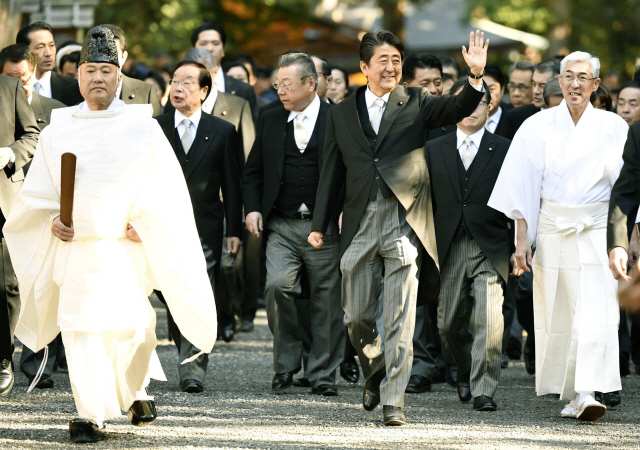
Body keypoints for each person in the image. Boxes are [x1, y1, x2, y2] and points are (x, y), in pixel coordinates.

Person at [4, 26, 217, 443]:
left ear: (119, 76)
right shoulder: (59, 127)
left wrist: (148, 221)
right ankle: (89, 415)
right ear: (78, 77)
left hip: (125, 247)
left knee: (131, 329)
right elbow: (37, 194)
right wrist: (51, 220)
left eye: (106, 70)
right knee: (81, 327)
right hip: (77, 248)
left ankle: (134, 391)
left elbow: (168, 190)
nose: (97, 78)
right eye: (89, 71)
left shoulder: (143, 127)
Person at [309, 30, 488, 426]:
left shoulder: (417, 101)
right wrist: (320, 224)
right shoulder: (340, 112)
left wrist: (475, 77)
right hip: (359, 222)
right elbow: (331, 174)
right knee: (355, 318)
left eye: (396, 60)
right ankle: (374, 371)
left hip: (404, 220)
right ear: (363, 68)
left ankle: (394, 400)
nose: (391, 67)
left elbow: (458, 107)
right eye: (383, 60)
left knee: (400, 317)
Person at [488, 51, 628, 421]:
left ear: (596, 85)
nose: (575, 84)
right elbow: (520, 189)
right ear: (560, 82)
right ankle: (573, 392)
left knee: (597, 312)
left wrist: (625, 241)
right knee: (560, 312)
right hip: (552, 227)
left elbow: (627, 189)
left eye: (584, 77)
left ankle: (587, 391)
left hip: (597, 228)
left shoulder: (614, 127)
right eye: (569, 76)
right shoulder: (537, 127)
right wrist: (522, 242)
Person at [243, 52, 345, 396]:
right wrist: (253, 209)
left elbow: (351, 171)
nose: (279, 90)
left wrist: (344, 211)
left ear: (311, 84)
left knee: (327, 300)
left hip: (325, 223)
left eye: (286, 84)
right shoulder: (270, 117)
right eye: (277, 84)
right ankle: (286, 366)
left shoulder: (338, 118)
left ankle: (322, 374)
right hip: (282, 224)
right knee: (277, 287)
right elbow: (253, 170)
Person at [155, 60, 242, 393]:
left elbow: (233, 185)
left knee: (194, 295)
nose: (178, 88)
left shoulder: (222, 131)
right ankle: (185, 346)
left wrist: (233, 230)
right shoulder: (155, 128)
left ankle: (192, 369)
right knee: (172, 295)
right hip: (160, 228)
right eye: (174, 81)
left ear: (204, 91)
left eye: (187, 83)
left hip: (204, 228)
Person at [426, 81, 512, 412]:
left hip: (490, 244)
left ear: (489, 108)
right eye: (466, 104)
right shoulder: (435, 147)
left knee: (490, 320)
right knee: (447, 323)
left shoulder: (504, 148)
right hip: (446, 244)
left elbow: (517, 199)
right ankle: (464, 368)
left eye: (479, 104)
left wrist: (519, 244)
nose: (472, 110)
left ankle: (484, 389)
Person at [0, 43, 67, 388]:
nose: (19, 84)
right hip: (11, 201)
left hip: (26, 201)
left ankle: (20, 359)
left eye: (24, 78)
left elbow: (36, 138)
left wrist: (9, 153)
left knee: (21, 282)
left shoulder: (27, 97)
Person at [180, 47, 258, 339]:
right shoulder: (174, 108)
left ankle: (225, 316)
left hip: (226, 202)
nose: (186, 83)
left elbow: (248, 160)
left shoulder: (235, 106)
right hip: (190, 205)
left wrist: (246, 206)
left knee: (226, 266)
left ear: (212, 74)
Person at [0, 71, 39, 397]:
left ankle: (3, 358)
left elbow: (31, 135)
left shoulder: (9, 87)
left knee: (6, 285)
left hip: (2, 198)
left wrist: (10, 153)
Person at [60, 25, 162, 116]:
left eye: (112, 52)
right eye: (91, 71)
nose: (98, 78)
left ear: (124, 56)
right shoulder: (69, 92)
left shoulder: (145, 92)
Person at [192, 22, 258, 119]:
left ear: (223, 50)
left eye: (215, 43)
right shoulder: (179, 88)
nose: (210, 48)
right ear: (194, 50)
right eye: (203, 43)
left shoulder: (243, 90)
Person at [16, 22, 77, 104]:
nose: (48, 53)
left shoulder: (72, 86)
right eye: (40, 47)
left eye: (51, 45)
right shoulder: (11, 87)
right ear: (23, 51)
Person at [500, 60, 559, 140]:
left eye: (542, 85)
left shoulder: (573, 114)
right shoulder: (515, 117)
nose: (535, 91)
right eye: (534, 84)